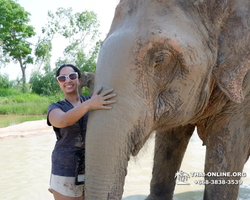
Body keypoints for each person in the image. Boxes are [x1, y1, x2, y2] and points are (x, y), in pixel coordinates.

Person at [47, 64, 116, 200]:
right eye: (62, 78)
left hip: (91, 170)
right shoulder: (55, 107)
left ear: (79, 80)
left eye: (72, 76)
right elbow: (63, 121)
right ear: (59, 83)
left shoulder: (93, 101)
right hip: (65, 170)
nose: (68, 80)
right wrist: (89, 105)